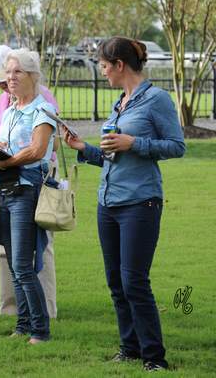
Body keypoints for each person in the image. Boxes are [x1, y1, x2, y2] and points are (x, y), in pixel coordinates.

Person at [63, 37, 184, 371]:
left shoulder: (157, 99)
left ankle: (154, 357)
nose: (102, 72)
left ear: (119, 65)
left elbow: (177, 146)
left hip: (140, 202)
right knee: (116, 283)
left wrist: (135, 143)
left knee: (134, 282)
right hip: (108, 203)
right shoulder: (120, 102)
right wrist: (83, 148)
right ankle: (129, 348)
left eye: (103, 66)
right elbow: (112, 157)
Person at [0, 49, 55, 344]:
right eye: (8, 72)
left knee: (23, 265)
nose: (10, 77)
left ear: (33, 76)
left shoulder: (43, 110)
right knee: (13, 264)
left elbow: (36, 150)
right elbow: (8, 144)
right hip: (3, 189)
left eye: (17, 72)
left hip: (25, 190)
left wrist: (4, 163)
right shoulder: (10, 110)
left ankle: (40, 330)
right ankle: (22, 325)